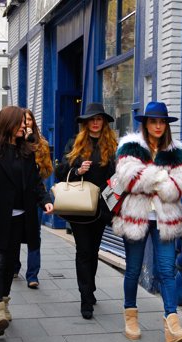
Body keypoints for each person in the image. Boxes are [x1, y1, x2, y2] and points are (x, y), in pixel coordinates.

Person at [0, 106, 53, 336]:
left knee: (9, 265)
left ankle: (3, 301)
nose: (24, 126)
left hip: (19, 219)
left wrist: (45, 200)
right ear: (8, 124)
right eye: (20, 123)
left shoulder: (26, 151)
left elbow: (35, 183)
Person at [112, 101, 182, 342]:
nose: (158, 126)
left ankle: (172, 325)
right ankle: (130, 317)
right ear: (145, 123)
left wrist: (148, 179)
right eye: (153, 121)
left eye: (162, 122)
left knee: (167, 271)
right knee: (134, 269)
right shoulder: (130, 146)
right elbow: (128, 180)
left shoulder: (177, 150)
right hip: (135, 217)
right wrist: (161, 177)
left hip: (166, 220)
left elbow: (179, 186)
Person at [56, 103, 117, 319]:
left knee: (93, 251)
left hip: (101, 208)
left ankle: (89, 288)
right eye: (91, 119)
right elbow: (60, 171)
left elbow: (116, 176)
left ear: (104, 122)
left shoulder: (112, 145)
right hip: (80, 207)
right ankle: (85, 299)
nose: (95, 122)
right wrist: (77, 170)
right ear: (86, 123)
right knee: (83, 251)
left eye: (99, 119)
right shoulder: (75, 143)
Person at [13, 109, 53, 288]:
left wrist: (36, 167)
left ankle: (32, 275)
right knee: (13, 232)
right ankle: (14, 266)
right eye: (23, 120)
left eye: (29, 119)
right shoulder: (14, 143)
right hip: (16, 196)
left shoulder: (42, 144)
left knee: (34, 234)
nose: (26, 123)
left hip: (35, 194)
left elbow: (47, 170)